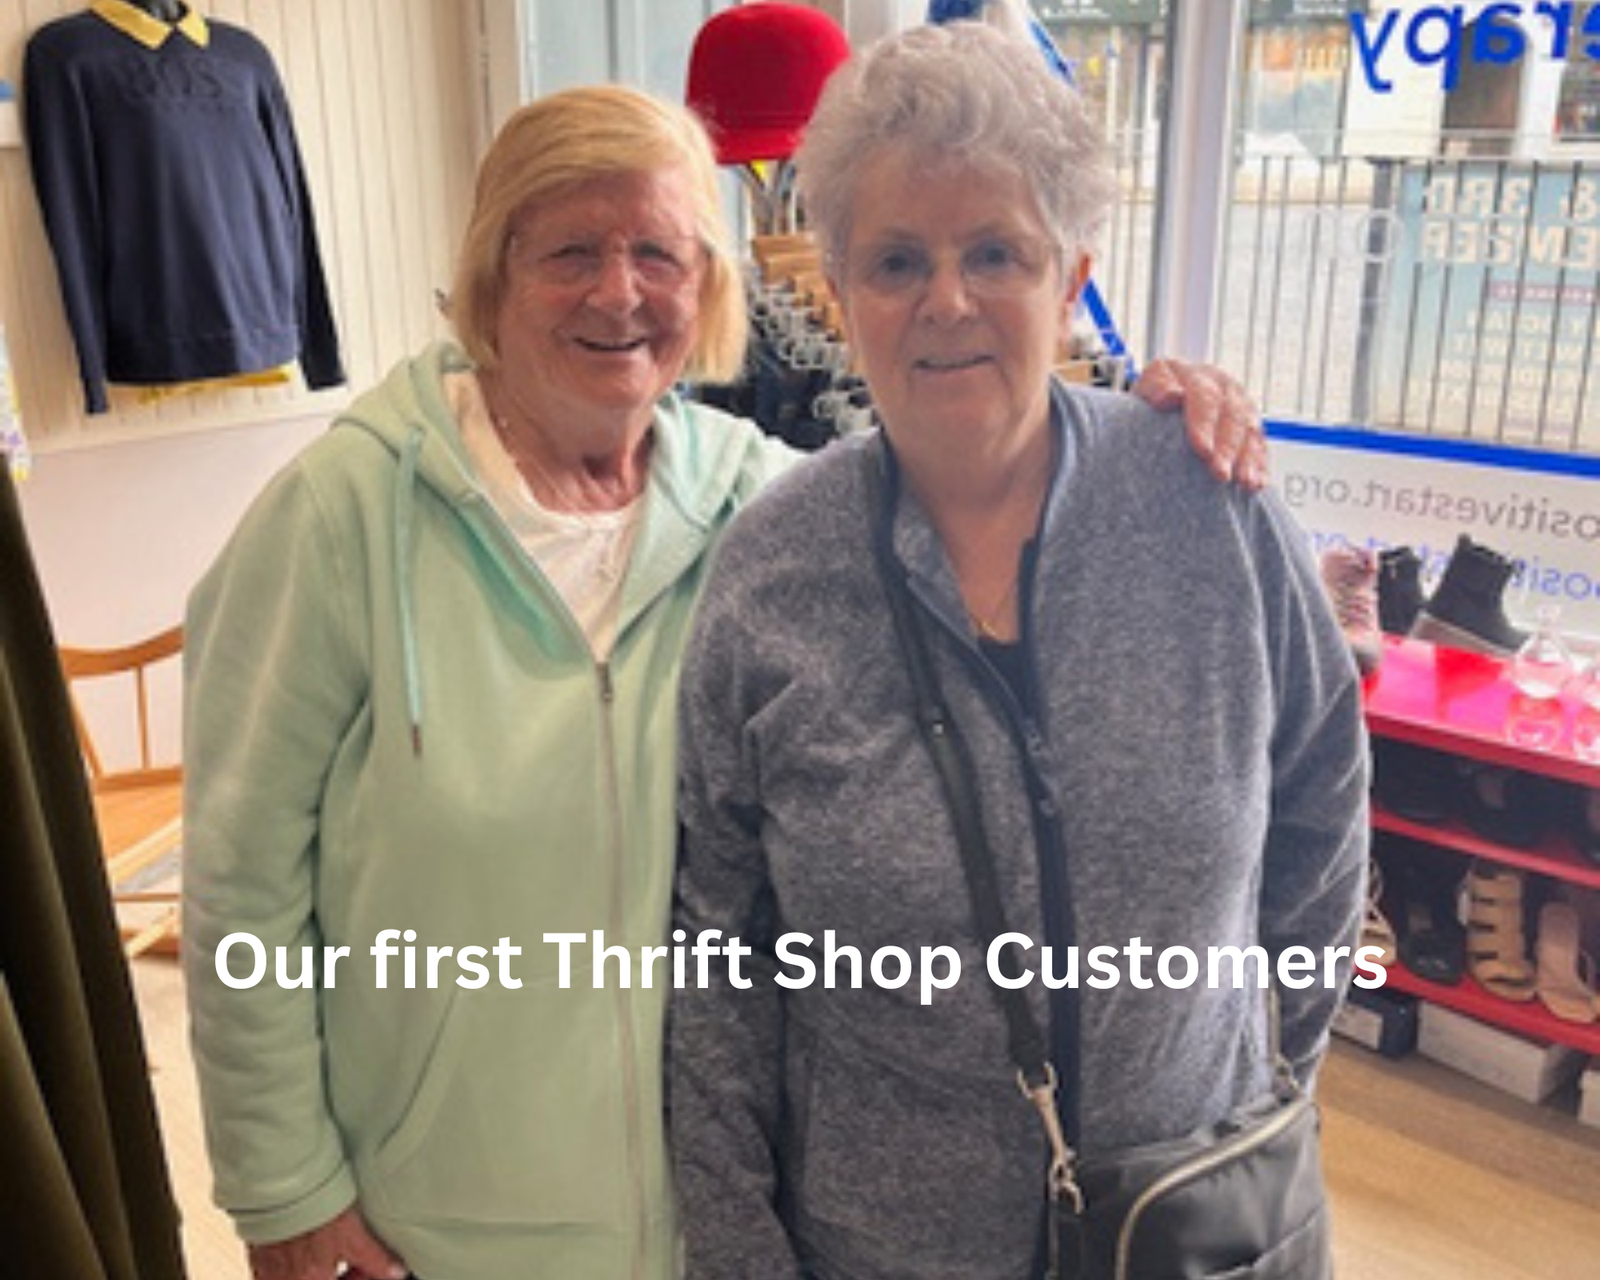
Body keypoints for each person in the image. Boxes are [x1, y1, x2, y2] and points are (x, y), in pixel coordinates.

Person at [183, 80, 1269, 1280]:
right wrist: (284, 1185)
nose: (618, 292)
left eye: (659, 252)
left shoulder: (766, 508)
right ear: (492, 275)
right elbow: (240, 882)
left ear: (706, 284)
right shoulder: (339, 515)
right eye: (570, 252)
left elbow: (971, 467)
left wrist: (1137, 426)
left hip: (725, 1215)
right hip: (440, 1218)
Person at [670, 22, 1369, 1280]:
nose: (946, 301)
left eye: (995, 252)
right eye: (897, 260)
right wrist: (741, 1255)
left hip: (1193, 1222)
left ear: (1071, 275)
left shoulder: (1207, 508)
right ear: (839, 288)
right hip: (885, 1248)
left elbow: (1323, 796)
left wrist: (1273, 1084)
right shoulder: (770, 575)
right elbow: (716, 954)